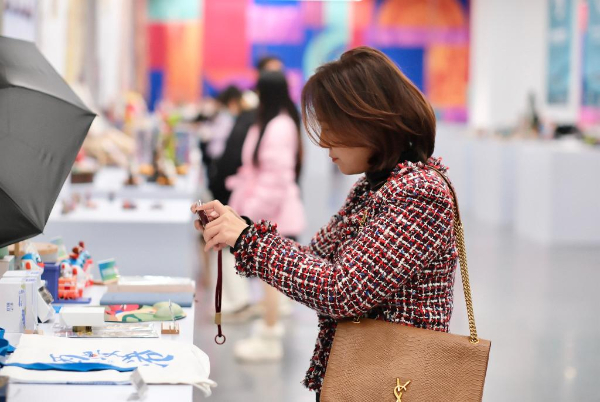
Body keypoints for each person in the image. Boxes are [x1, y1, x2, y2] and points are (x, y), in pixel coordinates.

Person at [192, 46, 457, 401]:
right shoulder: (374, 187)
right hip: (364, 376)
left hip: (395, 385)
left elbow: (342, 291)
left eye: (333, 127)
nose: (325, 141)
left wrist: (248, 240)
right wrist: (241, 229)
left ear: (370, 121)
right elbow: (315, 257)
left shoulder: (419, 193)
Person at [225, 70, 305, 361]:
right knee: (267, 279)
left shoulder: (279, 126)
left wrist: (249, 215)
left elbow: (276, 179)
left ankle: (269, 338)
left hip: (271, 214)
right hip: (264, 210)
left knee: (269, 278)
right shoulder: (270, 122)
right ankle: (268, 333)